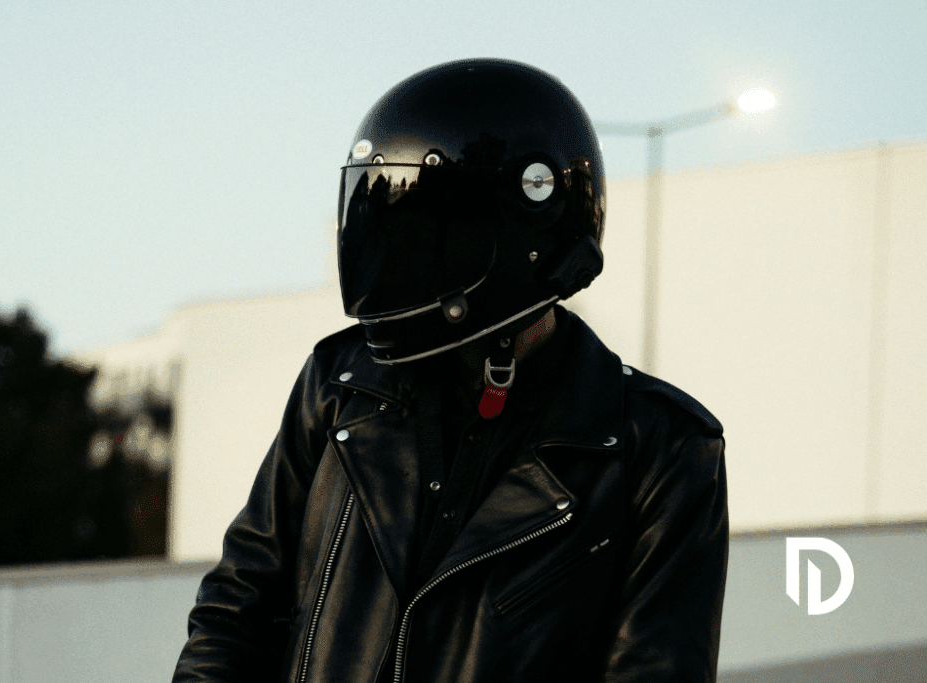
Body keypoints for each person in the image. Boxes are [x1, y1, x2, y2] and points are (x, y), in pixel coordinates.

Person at [173, 58, 728, 683]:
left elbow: (655, 668)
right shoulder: (341, 383)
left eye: (428, 231)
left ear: (520, 224)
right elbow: (236, 610)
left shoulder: (660, 448)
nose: (401, 258)